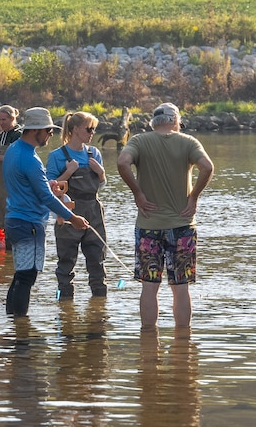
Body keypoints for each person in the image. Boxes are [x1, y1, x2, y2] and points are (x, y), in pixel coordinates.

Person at [117, 103, 214, 329]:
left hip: (148, 225)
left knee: (149, 287)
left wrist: (137, 193)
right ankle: (183, 341)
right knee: (181, 288)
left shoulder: (140, 141)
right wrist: (194, 197)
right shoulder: (189, 142)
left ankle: (148, 340)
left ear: (154, 122)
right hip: (182, 224)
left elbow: (122, 162)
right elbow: (207, 167)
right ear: (176, 121)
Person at [2, 108, 90, 317]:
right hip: (29, 224)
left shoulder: (13, 150)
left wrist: (46, 184)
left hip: (14, 219)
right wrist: (73, 218)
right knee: (27, 276)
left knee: (20, 274)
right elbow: (46, 198)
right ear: (36, 131)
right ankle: (21, 332)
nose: (51, 135)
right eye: (48, 131)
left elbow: (28, 186)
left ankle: (12, 324)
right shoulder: (30, 159)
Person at [47, 112, 108, 298]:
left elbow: (102, 184)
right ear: (75, 129)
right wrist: (68, 172)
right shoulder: (57, 156)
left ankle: (99, 303)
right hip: (68, 211)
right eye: (89, 129)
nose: (92, 133)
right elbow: (49, 188)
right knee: (66, 261)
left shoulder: (94, 153)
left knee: (97, 259)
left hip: (94, 210)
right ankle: (65, 303)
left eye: (94, 129)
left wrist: (101, 173)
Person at [0, 105, 23, 248]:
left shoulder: (19, 134)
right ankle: (4, 248)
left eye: (4, 119)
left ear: (13, 118)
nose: (1, 122)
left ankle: (13, 245)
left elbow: (19, 157)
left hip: (11, 180)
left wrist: (0, 158)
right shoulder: (1, 136)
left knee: (11, 212)